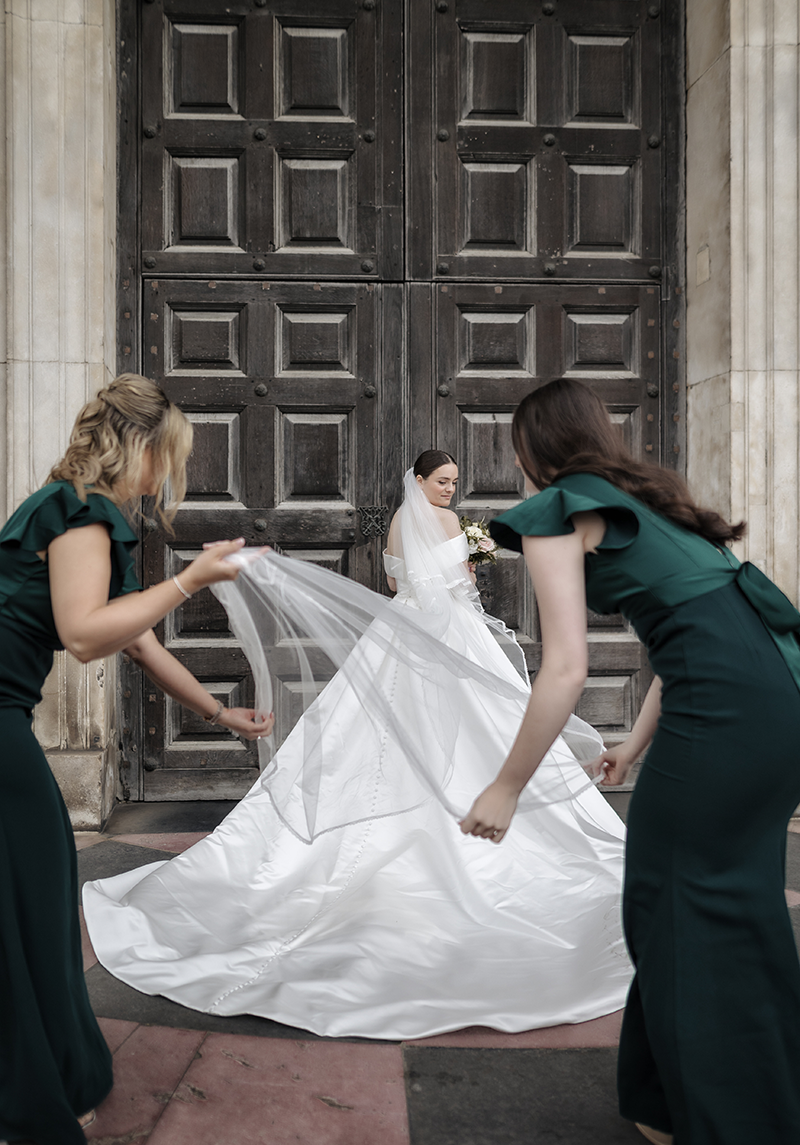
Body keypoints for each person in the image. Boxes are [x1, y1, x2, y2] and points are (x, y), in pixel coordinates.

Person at [83, 450, 632, 1041]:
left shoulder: (400, 519)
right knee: (461, 730)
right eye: (442, 481)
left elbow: (397, 583)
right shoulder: (447, 524)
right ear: (419, 479)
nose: (450, 489)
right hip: (449, 632)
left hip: (404, 630)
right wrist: (471, 562)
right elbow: (452, 585)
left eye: (453, 482)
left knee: (380, 733)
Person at [460, 378, 800, 1145]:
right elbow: (699, 634)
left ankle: (732, 1119)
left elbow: (566, 668)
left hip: (728, 718)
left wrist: (506, 788)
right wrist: (635, 744)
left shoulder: (560, 509)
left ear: (531, 448)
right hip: (780, 706)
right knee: (723, 903)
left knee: (675, 904)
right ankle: (673, 1102)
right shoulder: (659, 502)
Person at [0, 375, 271, 1145]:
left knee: (36, 897)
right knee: (31, 900)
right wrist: (187, 580)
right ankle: (34, 1095)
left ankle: (52, 1072)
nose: (167, 477)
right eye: (170, 456)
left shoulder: (71, 510)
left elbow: (139, 642)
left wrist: (220, 714)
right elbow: (87, 635)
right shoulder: (80, 513)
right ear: (142, 447)